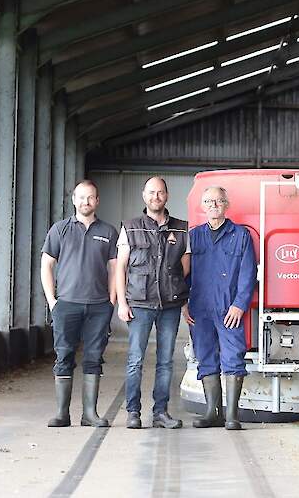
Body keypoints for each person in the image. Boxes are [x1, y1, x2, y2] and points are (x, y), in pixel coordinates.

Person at [41, 180, 118, 428]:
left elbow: (115, 269)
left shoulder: (108, 232)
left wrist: (111, 301)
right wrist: (53, 301)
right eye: (81, 197)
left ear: (97, 201)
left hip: (98, 306)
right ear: (74, 199)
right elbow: (46, 266)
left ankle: (90, 414)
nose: (86, 202)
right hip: (67, 304)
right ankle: (62, 414)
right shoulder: (59, 229)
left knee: (94, 357)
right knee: (63, 355)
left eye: (91, 197)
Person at [115, 177, 190, 430]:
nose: (155, 197)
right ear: (143, 195)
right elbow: (120, 267)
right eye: (151, 192)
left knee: (166, 361)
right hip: (139, 303)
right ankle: (133, 412)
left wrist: (181, 297)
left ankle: (161, 412)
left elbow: (185, 268)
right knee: (135, 359)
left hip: (169, 305)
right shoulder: (131, 226)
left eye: (160, 193)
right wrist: (122, 302)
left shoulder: (181, 228)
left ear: (166, 196)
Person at [187, 186, 257, 430]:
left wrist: (239, 305)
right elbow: (183, 273)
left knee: (233, 357)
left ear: (227, 205)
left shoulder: (241, 235)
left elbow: (249, 273)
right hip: (200, 308)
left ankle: (231, 415)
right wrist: (184, 303)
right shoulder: (193, 236)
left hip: (229, 309)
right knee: (205, 357)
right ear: (202, 206)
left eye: (218, 201)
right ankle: (211, 413)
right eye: (208, 201)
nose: (213, 205)